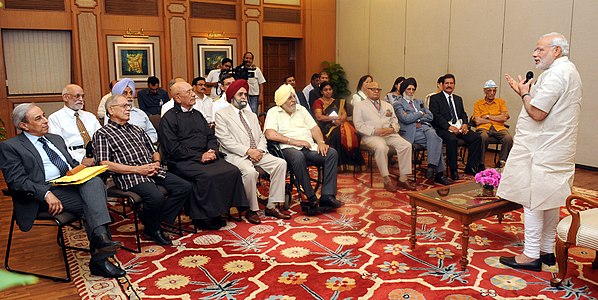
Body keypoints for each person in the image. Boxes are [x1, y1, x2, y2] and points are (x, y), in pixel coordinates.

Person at [0, 103, 125, 278]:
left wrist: (85, 168)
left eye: (44, 115)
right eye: (38, 118)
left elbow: (71, 166)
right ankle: (100, 255)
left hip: (69, 184)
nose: (45, 120)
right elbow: (17, 181)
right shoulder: (11, 146)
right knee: (92, 203)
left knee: (95, 182)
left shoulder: (55, 138)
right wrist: (45, 193)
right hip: (42, 193)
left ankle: (100, 243)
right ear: (23, 125)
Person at [498, 32, 582, 272]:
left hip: (543, 150)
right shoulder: (569, 71)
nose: (534, 54)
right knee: (550, 198)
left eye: (540, 49)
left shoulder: (556, 74)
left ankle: (530, 254)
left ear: (556, 50)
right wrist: (525, 92)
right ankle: (546, 251)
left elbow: (537, 113)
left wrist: (524, 93)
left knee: (533, 199)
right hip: (557, 149)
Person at [94, 94, 192, 245]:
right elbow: (104, 164)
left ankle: (154, 221)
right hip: (130, 176)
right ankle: (153, 228)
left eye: (129, 106)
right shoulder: (103, 134)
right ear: (111, 110)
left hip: (152, 170)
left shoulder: (137, 130)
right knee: (156, 197)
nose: (128, 109)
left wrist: (157, 162)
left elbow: (154, 150)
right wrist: (138, 170)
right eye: (124, 106)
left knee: (184, 187)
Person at [160, 81, 249, 230]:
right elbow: (173, 148)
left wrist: (212, 150)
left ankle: (220, 211)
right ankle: (203, 217)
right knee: (207, 176)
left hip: (206, 155)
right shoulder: (168, 119)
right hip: (183, 160)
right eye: (189, 92)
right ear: (177, 98)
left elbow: (211, 137)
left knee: (232, 171)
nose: (194, 94)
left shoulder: (198, 114)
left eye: (192, 91)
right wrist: (199, 156)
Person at [215, 79, 290, 224]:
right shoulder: (222, 114)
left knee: (280, 163)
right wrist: (249, 151)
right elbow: (225, 140)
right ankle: (252, 209)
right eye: (240, 94)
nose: (244, 97)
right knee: (250, 172)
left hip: (258, 153)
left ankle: (272, 206)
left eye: (245, 94)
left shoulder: (251, 115)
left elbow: (261, 136)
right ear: (232, 97)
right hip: (237, 155)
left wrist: (260, 150)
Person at [264, 84, 343, 215]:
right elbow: (270, 134)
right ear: (281, 101)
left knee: (331, 153)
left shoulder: (301, 109)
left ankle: (327, 196)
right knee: (298, 156)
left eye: (294, 96)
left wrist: (321, 142)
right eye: (289, 98)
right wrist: (295, 141)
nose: (294, 100)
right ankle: (311, 198)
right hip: (287, 148)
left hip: (308, 147)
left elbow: (314, 128)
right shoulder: (274, 112)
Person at [353, 81, 416, 192]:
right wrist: (374, 131)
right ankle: (386, 179)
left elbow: (395, 122)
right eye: (373, 89)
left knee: (406, 145)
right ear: (367, 90)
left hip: (389, 133)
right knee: (382, 148)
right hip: (372, 135)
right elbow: (358, 125)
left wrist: (392, 129)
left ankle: (403, 179)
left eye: (378, 89)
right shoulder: (360, 106)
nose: (376, 91)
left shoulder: (388, 105)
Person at [393, 78, 452, 185]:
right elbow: (405, 119)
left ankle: (431, 166)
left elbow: (430, 116)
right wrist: (420, 114)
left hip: (425, 128)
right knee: (437, 141)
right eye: (408, 89)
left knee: (434, 138)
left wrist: (415, 117)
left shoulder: (419, 102)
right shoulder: (398, 104)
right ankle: (438, 174)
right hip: (412, 131)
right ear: (403, 90)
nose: (411, 92)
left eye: (413, 89)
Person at [429, 74, 483, 180]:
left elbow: (463, 113)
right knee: (452, 139)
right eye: (447, 83)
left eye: (451, 83)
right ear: (442, 85)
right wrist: (449, 127)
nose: (449, 85)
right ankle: (453, 170)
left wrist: (465, 124)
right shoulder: (435, 98)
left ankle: (471, 167)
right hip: (443, 128)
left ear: (454, 85)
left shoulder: (458, 99)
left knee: (476, 138)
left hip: (459, 127)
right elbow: (436, 116)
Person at [48, 84, 101, 166]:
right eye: (77, 96)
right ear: (66, 97)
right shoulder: (55, 118)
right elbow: (58, 146)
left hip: (97, 156)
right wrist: (81, 159)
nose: (81, 99)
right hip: (73, 159)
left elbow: (101, 137)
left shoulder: (90, 116)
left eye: (82, 96)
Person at [312, 81, 362, 167]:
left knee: (353, 133)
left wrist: (340, 120)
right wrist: (334, 118)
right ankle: (338, 163)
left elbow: (344, 114)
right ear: (321, 92)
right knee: (337, 134)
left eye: (330, 89)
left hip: (340, 123)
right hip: (325, 125)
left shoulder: (338, 102)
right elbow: (319, 117)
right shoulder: (318, 102)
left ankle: (351, 163)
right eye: (325, 90)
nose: (328, 91)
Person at [472, 80, 513, 168]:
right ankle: (481, 163)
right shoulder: (478, 103)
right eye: (490, 91)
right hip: (483, 128)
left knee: (508, 138)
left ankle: (502, 162)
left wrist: (487, 116)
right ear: (484, 91)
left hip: (499, 128)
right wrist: (497, 118)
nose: (492, 93)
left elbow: (504, 117)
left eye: (494, 91)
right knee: (483, 137)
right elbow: (478, 121)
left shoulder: (501, 102)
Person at [108, 78, 158, 143]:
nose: (129, 96)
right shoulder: (112, 114)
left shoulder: (140, 113)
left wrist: (147, 143)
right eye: (125, 93)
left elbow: (151, 132)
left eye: (131, 93)